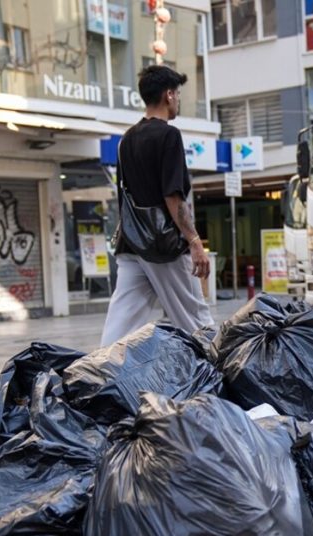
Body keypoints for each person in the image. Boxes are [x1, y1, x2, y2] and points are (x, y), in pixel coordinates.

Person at [99, 65, 213, 347]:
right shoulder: (168, 136)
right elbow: (173, 197)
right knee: (196, 321)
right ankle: (226, 377)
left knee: (119, 327)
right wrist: (194, 241)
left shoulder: (126, 139)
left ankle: (96, 376)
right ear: (169, 95)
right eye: (178, 95)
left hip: (131, 245)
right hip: (163, 246)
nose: (178, 101)